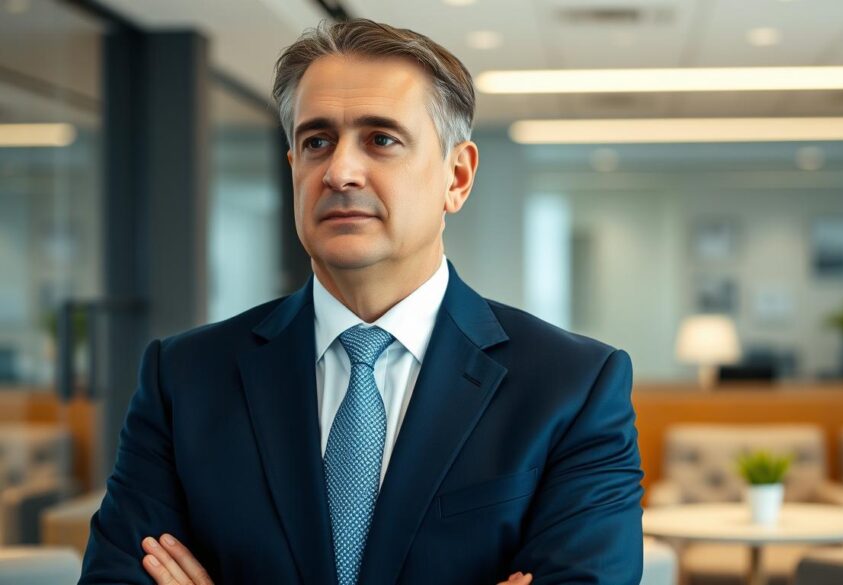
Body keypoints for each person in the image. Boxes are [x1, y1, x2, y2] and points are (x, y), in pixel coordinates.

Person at [79, 18, 643, 585]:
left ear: (458, 176)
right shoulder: (184, 377)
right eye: (317, 142)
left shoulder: (573, 386)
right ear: (294, 165)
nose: (340, 171)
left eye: (382, 140)